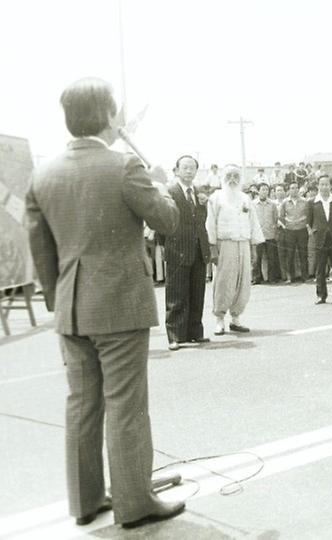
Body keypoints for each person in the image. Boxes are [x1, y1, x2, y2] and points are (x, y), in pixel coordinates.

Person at [25, 77, 184, 528]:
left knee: (82, 403)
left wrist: (62, 303)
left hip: (72, 308)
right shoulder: (124, 167)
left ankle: (86, 501)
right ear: (107, 116)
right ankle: (135, 503)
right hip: (119, 304)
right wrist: (163, 185)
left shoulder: (45, 173)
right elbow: (168, 221)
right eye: (117, 113)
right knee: (126, 405)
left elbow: (42, 251)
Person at [206, 166, 264, 334]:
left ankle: (236, 318)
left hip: (244, 243)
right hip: (225, 244)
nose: (232, 179)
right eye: (229, 176)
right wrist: (213, 249)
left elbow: (253, 223)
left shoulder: (245, 198)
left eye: (236, 176)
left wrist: (253, 248)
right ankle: (219, 319)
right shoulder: (216, 198)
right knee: (224, 282)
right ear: (223, 178)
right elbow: (210, 224)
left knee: (243, 281)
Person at [164, 155, 211, 351]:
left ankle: (195, 332)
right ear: (176, 170)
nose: (189, 171)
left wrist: (203, 203)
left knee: (197, 293)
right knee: (176, 294)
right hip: (178, 248)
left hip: (199, 248)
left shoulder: (200, 192)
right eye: (185, 168)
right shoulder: (170, 191)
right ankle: (175, 336)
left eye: (192, 168)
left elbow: (201, 219)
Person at [308, 175, 332, 304]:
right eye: (322, 184)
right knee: (320, 269)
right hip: (320, 239)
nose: (324, 187)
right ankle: (321, 295)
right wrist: (314, 233)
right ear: (318, 186)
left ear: (331, 186)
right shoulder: (312, 202)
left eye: (326, 184)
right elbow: (309, 221)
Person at [278, 181, 309, 283]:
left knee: (303, 254)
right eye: (292, 188)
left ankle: (305, 276)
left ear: (299, 190)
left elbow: (308, 215)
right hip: (290, 231)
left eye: (296, 188)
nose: (294, 190)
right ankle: (290, 277)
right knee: (290, 255)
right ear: (289, 190)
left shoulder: (305, 201)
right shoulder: (285, 202)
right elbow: (281, 216)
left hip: (302, 230)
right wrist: (287, 224)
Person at [252, 183, 281, 284]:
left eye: (266, 190)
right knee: (256, 259)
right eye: (262, 189)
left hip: (270, 234)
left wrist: (275, 232)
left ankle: (272, 278)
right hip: (257, 235)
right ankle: (256, 278)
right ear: (258, 191)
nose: (265, 192)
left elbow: (276, 218)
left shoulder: (272, 205)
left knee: (271, 258)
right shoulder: (253, 204)